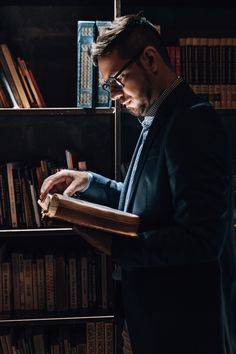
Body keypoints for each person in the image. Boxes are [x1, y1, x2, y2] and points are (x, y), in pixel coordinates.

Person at [40, 12, 236, 354]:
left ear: (149, 59)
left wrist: (115, 246)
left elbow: (203, 240)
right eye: (107, 86)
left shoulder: (192, 123)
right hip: (159, 321)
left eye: (117, 79)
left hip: (184, 330)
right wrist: (88, 182)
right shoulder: (159, 117)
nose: (113, 94)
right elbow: (146, 204)